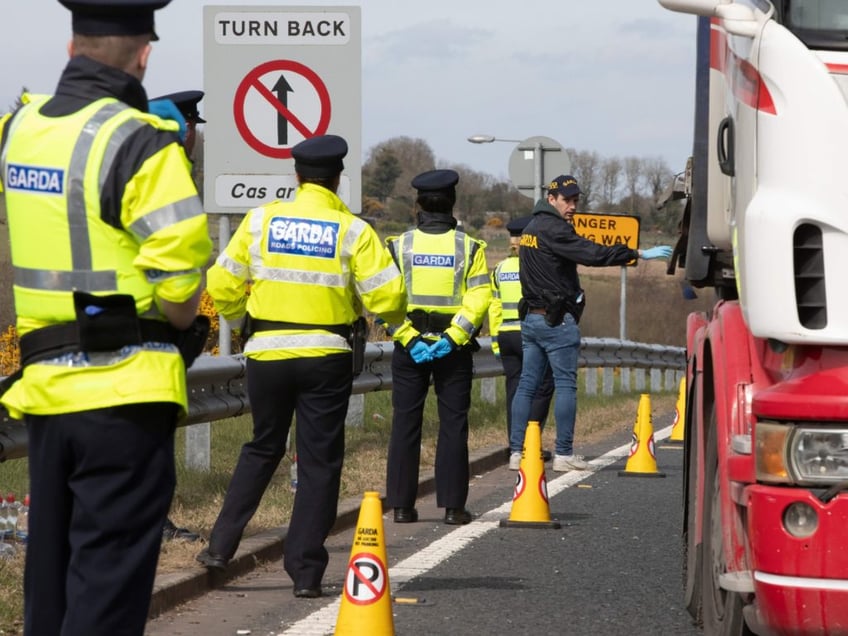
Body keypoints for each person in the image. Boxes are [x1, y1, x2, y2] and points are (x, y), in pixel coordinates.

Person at [0, 2, 213, 634]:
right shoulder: (145, 145)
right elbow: (180, 297)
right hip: (126, 395)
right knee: (107, 589)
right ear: (145, 54)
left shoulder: (17, 128)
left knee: (51, 587)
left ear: (71, 48)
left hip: (45, 392)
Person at [196, 134, 407, 599]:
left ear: (296, 176)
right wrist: (384, 316)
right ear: (337, 179)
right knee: (318, 462)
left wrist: (239, 314)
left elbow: (221, 281)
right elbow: (388, 297)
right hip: (325, 357)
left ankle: (219, 547)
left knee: (262, 447)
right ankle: (306, 573)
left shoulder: (259, 220)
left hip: (267, 353)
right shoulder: (352, 229)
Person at [509, 175, 672, 473]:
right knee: (566, 385)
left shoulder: (531, 228)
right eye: (566, 200)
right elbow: (592, 254)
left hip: (531, 318)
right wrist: (636, 254)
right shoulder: (555, 229)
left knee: (527, 385)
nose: (572, 206)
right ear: (551, 199)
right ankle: (564, 453)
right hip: (556, 320)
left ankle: (516, 451)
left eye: (575, 200)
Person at [384, 169, 492, 526]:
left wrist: (409, 337)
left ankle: (401, 506)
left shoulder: (398, 246)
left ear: (418, 205)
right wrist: (451, 339)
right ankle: (453, 507)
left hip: (409, 347)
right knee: (453, 425)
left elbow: (385, 301)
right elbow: (478, 299)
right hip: (453, 351)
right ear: (452, 204)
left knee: (405, 424)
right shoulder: (470, 247)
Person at [148, 89, 207, 543]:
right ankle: (154, 525)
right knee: (149, 448)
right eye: (194, 129)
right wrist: (186, 321)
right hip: (151, 335)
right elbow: (177, 277)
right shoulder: (168, 182)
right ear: (184, 131)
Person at [488, 215, 555, 470]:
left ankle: (515, 447)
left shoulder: (500, 269)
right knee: (542, 386)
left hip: (506, 335)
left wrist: (495, 342)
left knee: (514, 390)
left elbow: (493, 306)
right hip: (531, 333)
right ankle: (531, 443)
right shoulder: (537, 266)